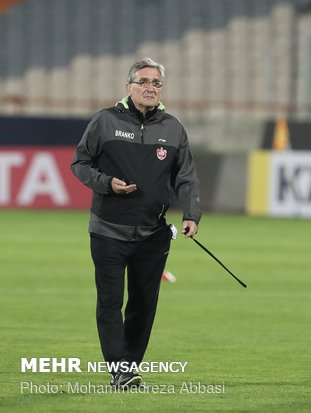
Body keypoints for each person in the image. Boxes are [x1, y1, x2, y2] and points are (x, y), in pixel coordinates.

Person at [71, 57, 201, 389]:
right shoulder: (104, 120)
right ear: (129, 87)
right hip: (107, 230)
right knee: (110, 302)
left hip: (152, 235)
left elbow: (186, 177)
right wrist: (105, 183)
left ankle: (129, 368)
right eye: (143, 82)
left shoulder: (173, 128)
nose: (150, 88)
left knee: (144, 306)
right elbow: (80, 164)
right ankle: (119, 370)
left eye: (156, 83)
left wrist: (191, 214)